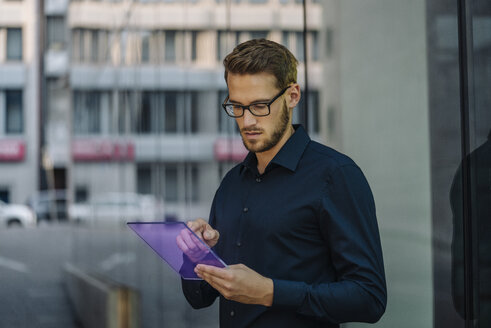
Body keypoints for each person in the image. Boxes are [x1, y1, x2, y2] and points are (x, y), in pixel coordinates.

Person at [181, 38, 387, 328]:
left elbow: (370, 298)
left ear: (292, 95)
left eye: (260, 105)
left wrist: (270, 293)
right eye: (237, 106)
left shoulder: (336, 175)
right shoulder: (231, 183)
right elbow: (200, 298)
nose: (247, 120)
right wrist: (196, 255)